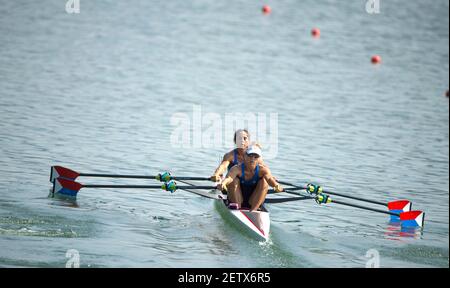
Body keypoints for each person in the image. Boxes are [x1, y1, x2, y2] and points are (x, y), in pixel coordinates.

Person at [217, 145, 283, 212]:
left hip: (252, 200)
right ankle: (237, 209)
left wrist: (276, 185)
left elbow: (269, 179)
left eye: (255, 157)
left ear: (259, 159)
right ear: (244, 156)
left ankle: (254, 210)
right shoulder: (236, 169)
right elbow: (229, 178)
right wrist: (223, 183)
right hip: (237, 199)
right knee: (234, 180)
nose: (252, 159)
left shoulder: (263, 170)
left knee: (264, 181)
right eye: (250, 155)